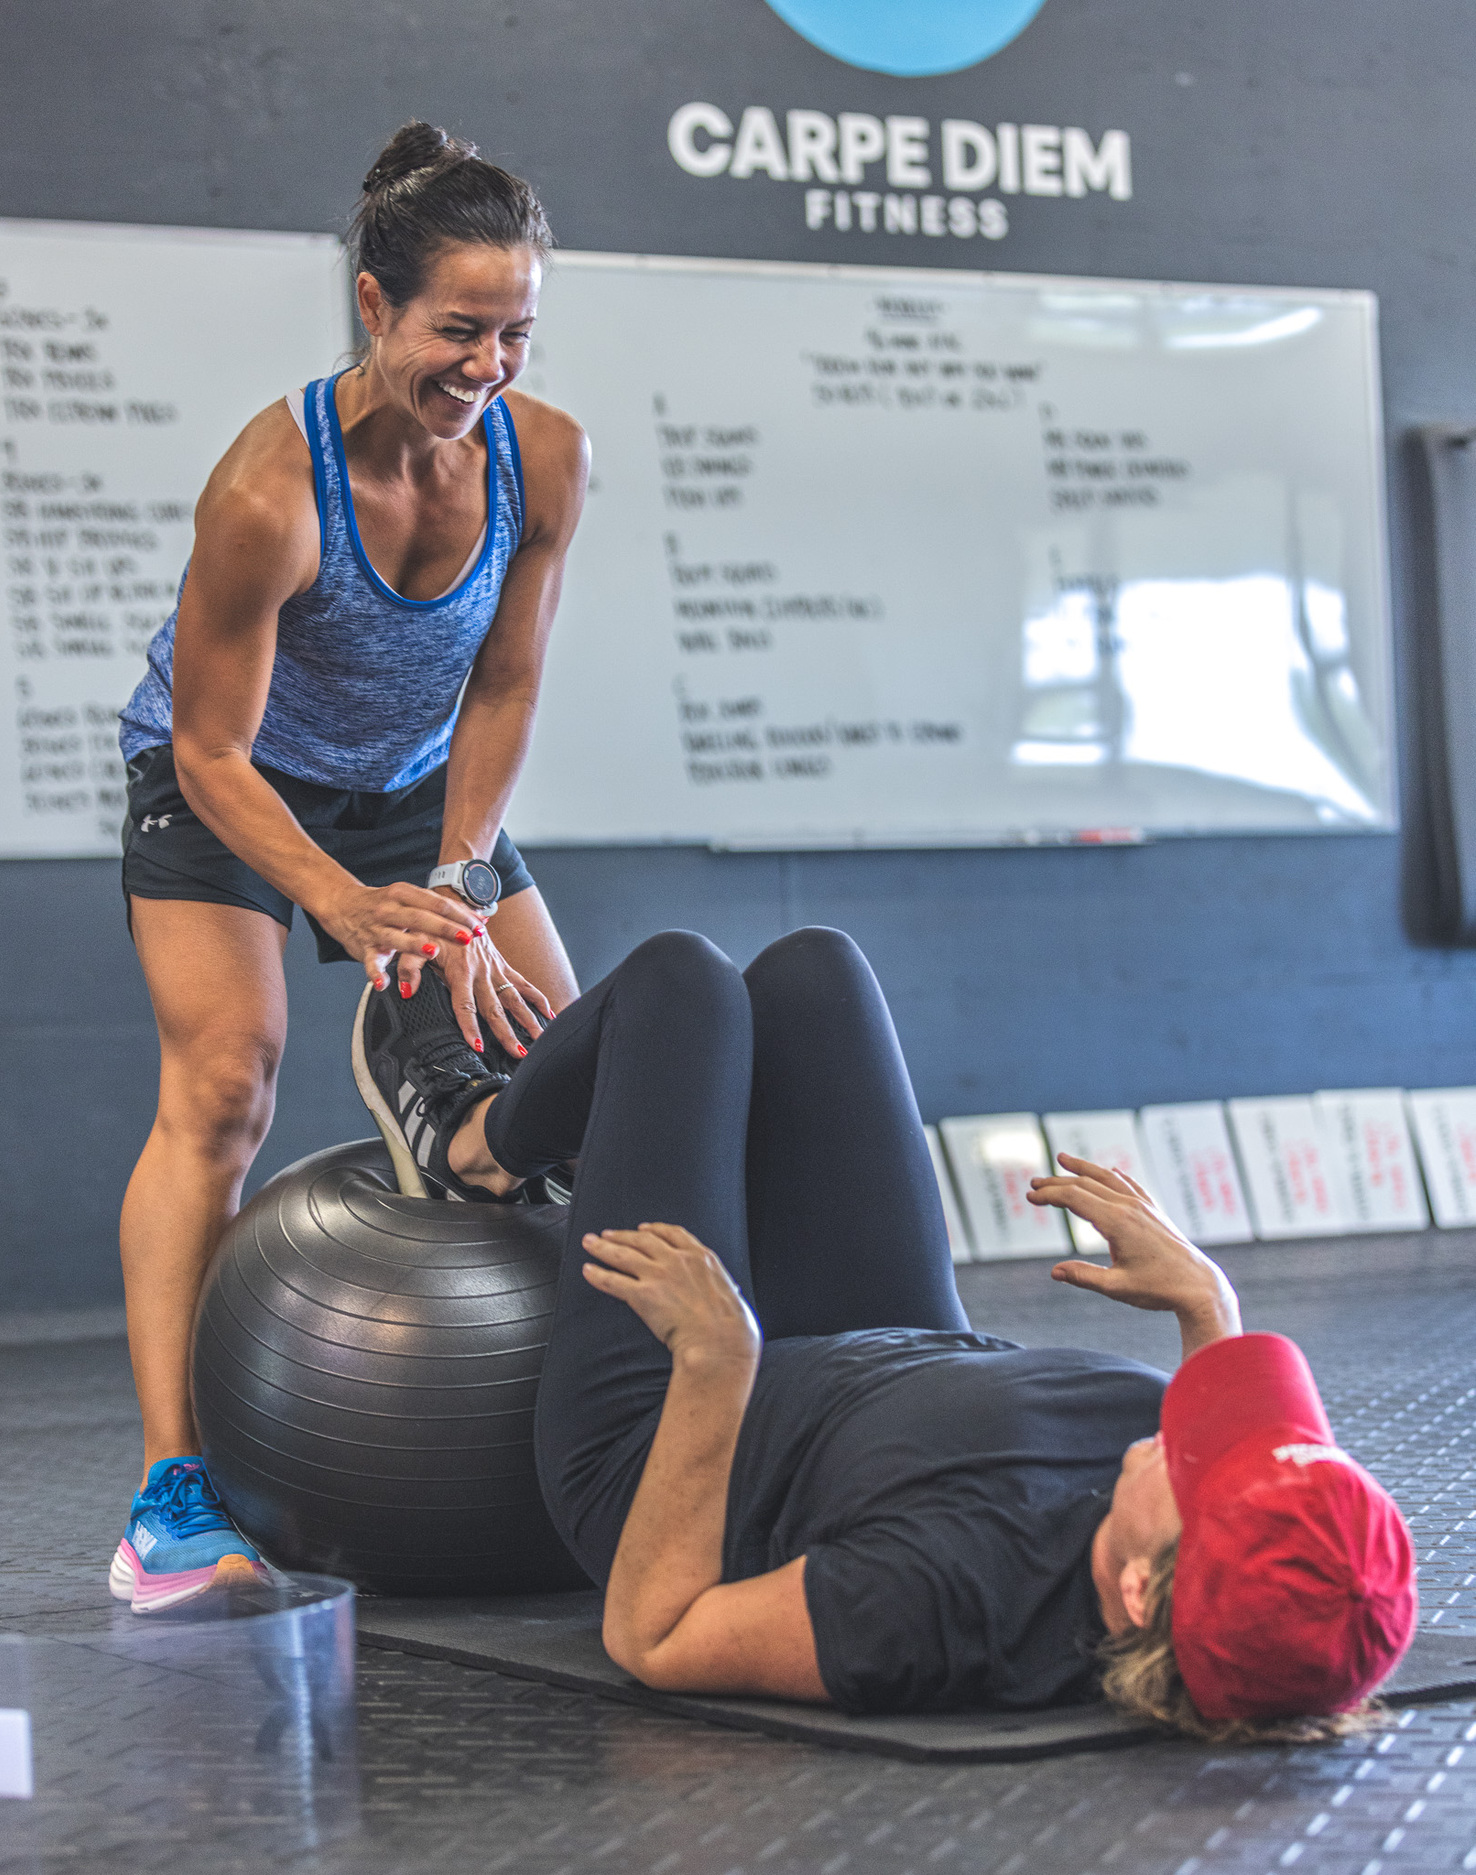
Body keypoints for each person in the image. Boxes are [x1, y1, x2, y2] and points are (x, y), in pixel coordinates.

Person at [355, 926, 1418, 1735]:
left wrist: (718, 1363)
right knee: (813, 975)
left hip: (671, 1432)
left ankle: (473, 1146)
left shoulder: (941, 1600)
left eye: (1200, 1461)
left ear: (1137, 1589)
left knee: (678, 989)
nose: (1189, 1430)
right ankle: (639, 1136)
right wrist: (1206, 1307)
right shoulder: (1182, 1550)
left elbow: (656, 1637)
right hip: (890, 1351)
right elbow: (1231, 1466)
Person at [108, 121, 590, 1613]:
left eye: (515, 330)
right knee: (226, 1080)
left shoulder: (545, 457)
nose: (488, 364)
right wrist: (338, 900)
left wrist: (453, 879)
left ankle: (621, 1436)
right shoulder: (269, 490)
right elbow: (206, 751)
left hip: (417, 790)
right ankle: (171, 1497)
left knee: (567, 1066)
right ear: (373, 306)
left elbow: (504, 688)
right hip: (233, 788)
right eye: (458, 328)